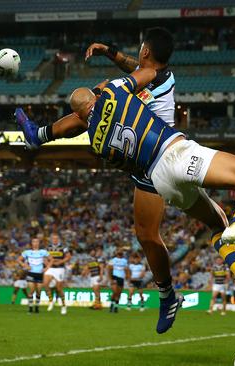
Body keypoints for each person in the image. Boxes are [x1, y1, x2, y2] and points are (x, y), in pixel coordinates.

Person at [16, 67, 235, 333]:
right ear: (95, 98)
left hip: (159, 181)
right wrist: (108, 80)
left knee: (212, 225)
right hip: (175, 154)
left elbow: (82, 120)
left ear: (80, 116)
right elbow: (149, 72)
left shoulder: (97, 143)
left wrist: (43, 134)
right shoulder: (115, 91)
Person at [85, 27, 178, 320]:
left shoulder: (149, 81)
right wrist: (109, 51)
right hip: (151, 163)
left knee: (150, 235)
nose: (136, 55)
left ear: (146, 51)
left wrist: (100, 92)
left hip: (161, 160)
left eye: (140, 50)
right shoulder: (159, 74)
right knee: (146, 235)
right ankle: (167, 296)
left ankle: (167, 295)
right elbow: (131, 65)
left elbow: (125, 80)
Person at [18, 237, 50, 313]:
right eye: (34, 242)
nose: (35, 243)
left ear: (39, 243)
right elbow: (19, 259)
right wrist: (25, 265)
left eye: (37, 242)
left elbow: (51, 259)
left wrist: (47, 268)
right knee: (32, 290)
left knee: (38, 291)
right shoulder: (27, 252)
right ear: (31, 243)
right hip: (30, 273)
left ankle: (37, 307)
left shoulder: (43, 252)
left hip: (39, 274)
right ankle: (30, 307)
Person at [43, 233, 71, 315]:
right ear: (51, 239)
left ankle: (63, 305)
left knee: (59, 289)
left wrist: (60, 262)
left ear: (58, 239)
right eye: (53, 238)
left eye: (56, 238)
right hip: (51, 268)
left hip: (59, 269)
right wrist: (48, 264)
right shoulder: (48, 248)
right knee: (45, 284)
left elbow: (68, 256)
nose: (55, 240)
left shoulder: (63, 247)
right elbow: (44, 258)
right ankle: (51, 301)